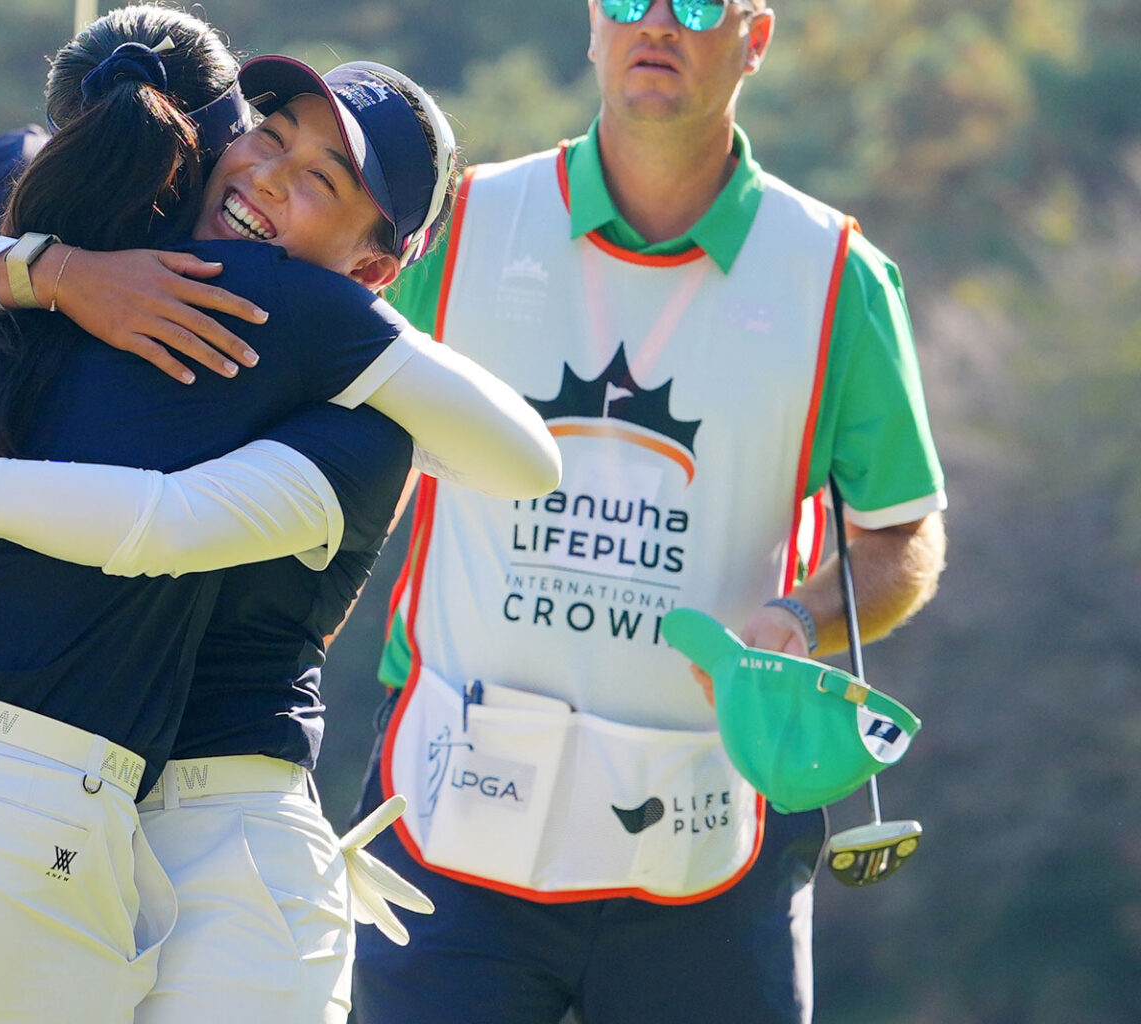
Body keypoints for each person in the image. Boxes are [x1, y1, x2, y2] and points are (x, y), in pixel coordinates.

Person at [0, 8, 554, 1024]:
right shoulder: (87, 280)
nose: (269, 176)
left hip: (194, 834)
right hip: (51, 806)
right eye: (269, 135)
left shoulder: (313, 329)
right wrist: (62, 275)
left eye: (323, 179)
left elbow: (172, 522)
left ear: (378, 266)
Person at [349, 2, 949, 1022]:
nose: (657, 23)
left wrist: (800, 618)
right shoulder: (460, 223)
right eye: (628, 0)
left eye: (699, 4)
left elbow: (901, 535)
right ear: (592, 25)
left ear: (755, 38)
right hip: (448, 821)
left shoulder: (837, 275)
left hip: (708, 848)